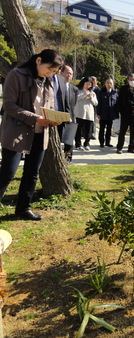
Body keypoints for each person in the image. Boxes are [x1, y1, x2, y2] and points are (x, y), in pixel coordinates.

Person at [0, 49, 63, 220]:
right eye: (49, 69)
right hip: (16, 131)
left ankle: (23, 209)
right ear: (38, 60)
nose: (51, 73)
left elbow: (49, 105)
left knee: (32, 172)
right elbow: (9, 105)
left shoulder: (49, 81)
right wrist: (35, 118)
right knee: (7, 172)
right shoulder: (16, 75)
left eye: (54, 71)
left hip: (40, 132)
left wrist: (53, 118)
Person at [117, 74, 134, 154]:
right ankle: (119, 147)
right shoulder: (123, 88)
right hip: (125, 113)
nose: (132, 81)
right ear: (128, 80)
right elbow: (119, 101)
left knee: (133, 132)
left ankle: (131, 147)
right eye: (131, 79)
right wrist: (120, 111)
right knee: (123, 131)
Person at [59, 65, 78, 162]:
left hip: (70, 118)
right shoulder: (57, 86)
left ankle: (68, 159)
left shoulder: (74, 89)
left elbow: (73, 105)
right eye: (67, 73)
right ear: (61, 73)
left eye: (71, 74)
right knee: (58, 139)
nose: (69, 75)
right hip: (58, 117)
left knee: (69, 141)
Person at [74, 77, 98, 151]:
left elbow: (96, 103)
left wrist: (91, 98)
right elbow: (76, 98)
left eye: (90, 84)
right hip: (79, 113)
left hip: (89, 114)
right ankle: (78, 144)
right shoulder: (78, 90)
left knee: (88, 130)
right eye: (87, 84)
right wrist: (84, 95)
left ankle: (87, 143)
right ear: (83, 83)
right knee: (78, 129)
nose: (88, 86)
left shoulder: (92, 93)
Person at [96, 77, 118, 148]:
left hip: (111, 114)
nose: (109, 84)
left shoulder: (115, 92)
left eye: (111, 83)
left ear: (113, 84)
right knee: (102, 129)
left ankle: (108, 142)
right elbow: (98, 104)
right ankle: (101, 142)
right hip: (103, 114)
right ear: (105, 83)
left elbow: (116, 104)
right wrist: (98, 113)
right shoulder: (101, 92)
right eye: (108, 83)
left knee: (109, 129)